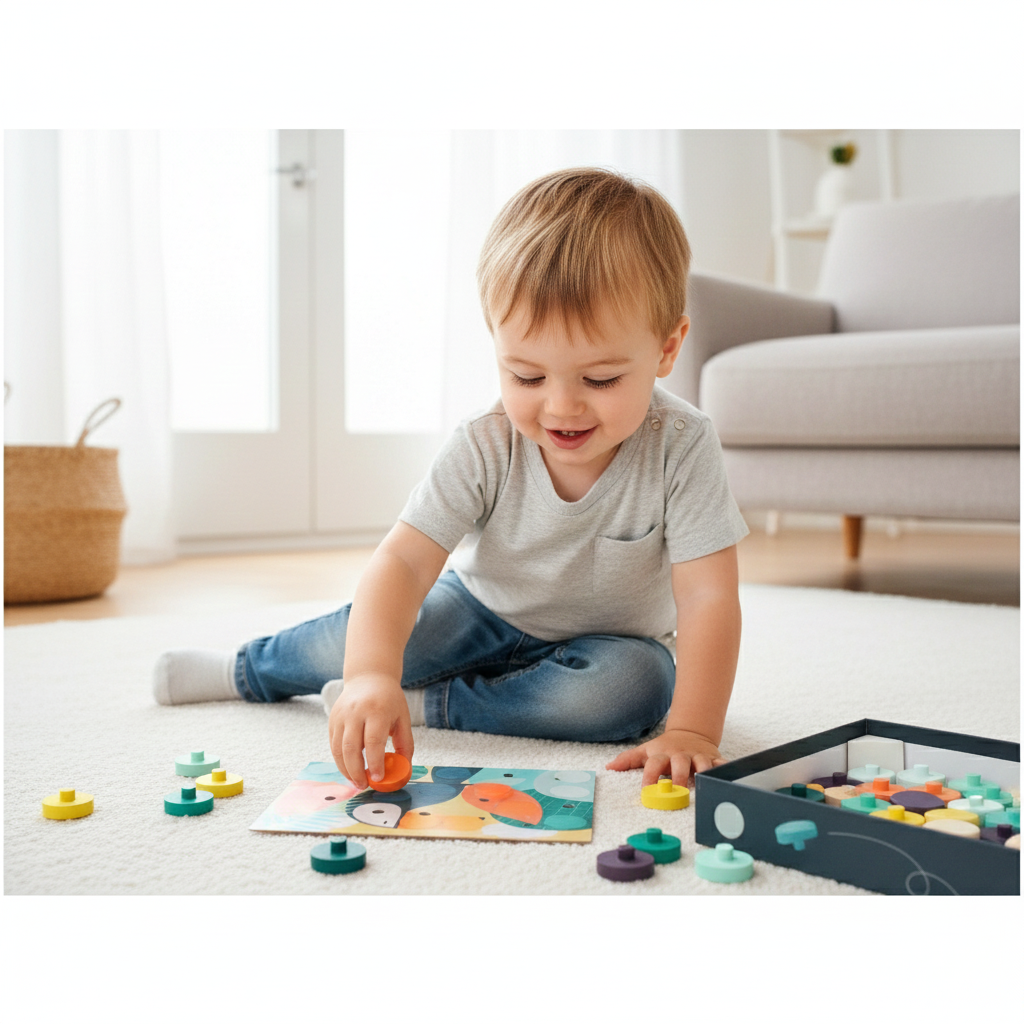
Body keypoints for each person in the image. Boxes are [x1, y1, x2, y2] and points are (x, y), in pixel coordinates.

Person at [153, 166, 748, 794]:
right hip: (478, 608)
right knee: (362, 635)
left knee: (638, 690)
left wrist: (693, 731)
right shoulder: (486, 441)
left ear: (666, 349)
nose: (561, 407)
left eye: (600, 380)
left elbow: (708, 598)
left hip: (609, 645)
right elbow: (404, 563)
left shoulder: (682, 445)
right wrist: (370, 674)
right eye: (526, 377)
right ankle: (245, 669)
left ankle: (429, 705)